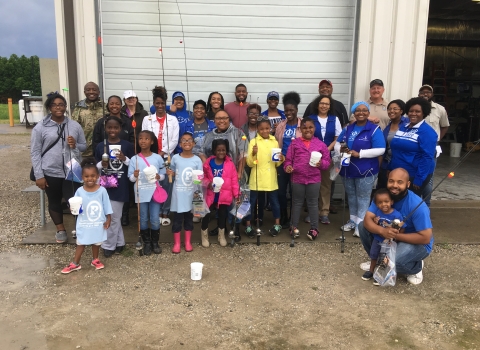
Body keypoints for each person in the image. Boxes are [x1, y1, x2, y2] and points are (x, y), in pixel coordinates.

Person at [359, 168, 434, 285]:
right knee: (362, 227)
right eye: (391, 181)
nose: (394, 185)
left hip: (415, 242)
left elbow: (426, 238)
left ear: (408, 184)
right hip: (388, 236)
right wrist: (382, 231)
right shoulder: (382, 196)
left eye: (400, 182)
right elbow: (367, 220)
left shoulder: (417, 205)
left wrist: (395, 236)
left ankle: (416, 266)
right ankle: (378, 260)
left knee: (395, 261)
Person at [31, 93, 87, 243]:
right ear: (49, 107)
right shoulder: (40, 128)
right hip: (50, 170)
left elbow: (84, 146)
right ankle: (60, 230)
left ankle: (79, 228)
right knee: (54, 200)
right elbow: (35, 152)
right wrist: (39, 175)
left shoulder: (74, 125)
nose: (58, 107)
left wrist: (75, 145)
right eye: (55, 105)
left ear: (65, 107)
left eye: (61, 104)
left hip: (73, 168)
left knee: (75, 200)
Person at [338, 101, 386, 237]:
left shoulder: (374, 129)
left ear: (368, 113)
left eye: (364, 110)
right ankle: (353, 221)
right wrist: (340, 149)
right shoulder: (348, 128)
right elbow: (337, 143)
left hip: (366, 170)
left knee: (363, 198)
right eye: (357, 110)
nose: (361, 113)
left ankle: (362, 226)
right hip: (348, 169)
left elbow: (380, 149)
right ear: (354, 113)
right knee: (352, 197)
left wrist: (360, 154)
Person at [61, 158, 113, 274]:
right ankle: (75, 263)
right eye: (87, 176)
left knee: (97, 241)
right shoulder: (79, 191)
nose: (90, 179)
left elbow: (107, 206)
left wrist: (109, 218)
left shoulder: (102, 191)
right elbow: (75, 205)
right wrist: (72, 208)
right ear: (82, 177)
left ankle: (95, 259)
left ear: (98, 176)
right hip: (84, 222)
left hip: (98, 222)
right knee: (81, 242)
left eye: (93, 176)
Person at [284, 117, 331, 240]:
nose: (308, 130)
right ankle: (293, 226)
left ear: (314, 128)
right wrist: (288, 167)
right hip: (297, 178)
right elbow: (288, 160)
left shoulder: (320, 144)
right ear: (300, 129)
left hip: (314, 179)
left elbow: (327, 162)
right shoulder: (295, 143)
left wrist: (321, 164)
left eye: (310, 127)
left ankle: (314, 228)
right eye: (304, 127)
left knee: (313, 203)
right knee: (297, 203)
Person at [94, 116, 134, 257]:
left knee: (113, 217)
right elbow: (95, 168)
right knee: (110, 216)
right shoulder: (101, 146)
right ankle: (119, 243)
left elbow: (134, 165)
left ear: (120, 129)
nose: (112, 130)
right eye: (109, 127)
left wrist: (124, 159)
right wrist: (101, 164)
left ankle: (108, 245)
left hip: (121, 186)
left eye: (115, 127)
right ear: (105, 128)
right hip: (104, 185)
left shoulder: (127, 145)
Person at [92, 95, 135, 226]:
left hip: (122, 167)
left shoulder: (127, 121)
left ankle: (125, 215)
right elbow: (96, 143)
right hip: (106, 167)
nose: (114, 106)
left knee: (123, 190)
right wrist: (101, 158)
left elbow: (133, 145)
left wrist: (125, 156)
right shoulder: (101, 122)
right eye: (111, 103)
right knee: (108, 198)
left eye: (117, 103)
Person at [142, 86, 180, 225]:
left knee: (167, 183)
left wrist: (162, 152)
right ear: (153, 104)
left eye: (162, 103)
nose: (159, 106)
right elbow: (144, 137)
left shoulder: (173, 120)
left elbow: (175, 140)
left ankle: (166, 210)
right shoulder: (147, 119)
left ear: (166, 104)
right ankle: (156, 211)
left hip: (166, 157)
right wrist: (153, 154)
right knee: (153, 182)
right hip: (150, 157)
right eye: (157, 103)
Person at [388, 97, 437, 201]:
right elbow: (396, 150)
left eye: (417, 111)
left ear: (424, 113)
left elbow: (427, 157)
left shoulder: (427, 132)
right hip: (398, 172)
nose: (413, 114)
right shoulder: (403, 127)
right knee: (397, 202)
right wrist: (391, 168)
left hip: (414, 175)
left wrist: (419, 179)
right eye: (411, 111)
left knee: (410, 203)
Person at [244, 118, 284, 238]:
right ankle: (248, 224)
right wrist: (253, 154)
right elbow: (250, 163)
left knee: (274, 202)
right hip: (257, 177)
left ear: (271, 128)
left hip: (271, 177)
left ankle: (277, 223)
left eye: (267, 128)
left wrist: (281, 159)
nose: (265, 131)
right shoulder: (253, 142)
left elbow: (276, 163)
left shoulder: (274, 141)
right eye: (261, 129)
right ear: (258, 129)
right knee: (251, 202)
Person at [128, 131, 166, 256]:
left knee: (155, 218)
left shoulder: (157, 158)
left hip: (154, 191)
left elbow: (163, 174)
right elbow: (131, 179)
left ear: (152, 141)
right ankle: (147, 242)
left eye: (146, 139)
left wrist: (158, 176)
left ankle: (155, 242)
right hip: (141, 192)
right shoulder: (135, 159)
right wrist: (134, 176)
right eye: (140, 138)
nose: (143, 141)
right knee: (143, 218)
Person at [166, 132, 203, 253]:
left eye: (189, 140)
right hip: (178, 195)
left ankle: (187, 242)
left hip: (191, 195)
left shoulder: (197, 160)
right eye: (184, 140)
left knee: (188, 220)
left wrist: (198, 200)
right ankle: (177, 243)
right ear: (180, 144)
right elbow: (174, 172)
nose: (187, 142)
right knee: (177, 220)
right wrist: (170, 174)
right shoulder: (175, 158)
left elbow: (199, 180)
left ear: (193, 143)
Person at [308, 94, 342, 225]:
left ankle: (324, 212)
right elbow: (307, 135)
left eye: (327, 104)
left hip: (328, 156)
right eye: (322, 103)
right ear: (317, 105)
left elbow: (337, 137)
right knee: (312, 185)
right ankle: (313, 213)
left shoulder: (335, 119)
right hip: (312, 157)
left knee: (326, 185)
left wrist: (326, 149)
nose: (324, 106)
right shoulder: (311, 119)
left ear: (330, 106)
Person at [201, 139, 240, 247]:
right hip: (210, 194)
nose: (221, 152)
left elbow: (234, 180)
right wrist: (208, 183)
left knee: (222, 216)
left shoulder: (230, 164)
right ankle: (204, 236)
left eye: (223, 150)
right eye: (218, 150)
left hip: (224, 195)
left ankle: (221, 235)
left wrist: (236, 194)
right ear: (214, 150)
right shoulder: (208, 163)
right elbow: (202, 178)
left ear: (226, 150)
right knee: (206, 215)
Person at [361, 188, 404, 283]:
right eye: (380, 202)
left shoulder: (396, 215)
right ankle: (371, 270)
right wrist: (375, 222)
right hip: (377, 239)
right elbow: (373, 225)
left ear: (392, 202)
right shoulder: (377, 213)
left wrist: (397, 237)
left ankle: (381, 273)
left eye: (386, 201)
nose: (384, 204)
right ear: (376, 205)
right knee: (373, 255)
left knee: (385, 257)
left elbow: (401, 227)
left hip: (389, 242)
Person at [418, 84, 450, 207]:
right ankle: (414, 205)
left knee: (428, 177)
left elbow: (445, 126)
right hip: (415, 146)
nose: (425, 94)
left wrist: (438, 140)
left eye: (428, 92)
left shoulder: (440, 109)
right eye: (422, 91)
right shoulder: (413, 107)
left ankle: (426, 205)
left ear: (432, 94)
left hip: (431, 148)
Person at [274, 92, 302, 228]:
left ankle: (293, 218)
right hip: (282, 163)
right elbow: (275, 143)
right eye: (286, 110)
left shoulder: (303, 125)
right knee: (281, 192)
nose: (289, 112)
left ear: (297, 109)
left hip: (298, 163)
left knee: (295, 192)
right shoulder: (280, 126)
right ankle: (284, 215)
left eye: (291, 110)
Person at [200, 109, 247, 180]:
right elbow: (200, 152)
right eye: (218, 118)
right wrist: (207, 167)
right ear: (214, 121)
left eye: (224, 118)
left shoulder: (238, 134)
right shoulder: (208, 136)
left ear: (229, 119)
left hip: (232, 176)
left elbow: (244, 154)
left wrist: (239, 173)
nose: (221, 121)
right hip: (213, 176)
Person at [377, 99, 409, 189]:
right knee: (384, 189)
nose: (391, 111)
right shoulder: (387, 127)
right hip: (387, 163)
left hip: (403, 163)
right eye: (389, 109)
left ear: (401, 111)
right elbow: (383, 148)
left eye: (395, 109)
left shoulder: (408, 124)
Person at [71, 82, 105, 156]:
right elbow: (73, 127)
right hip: (84, 151)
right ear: (84, 92)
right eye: (88, 90)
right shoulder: (79, 108)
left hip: (102, 149)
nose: (91, 92)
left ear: (98, 92)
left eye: (94, 90)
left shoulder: (105, 107)